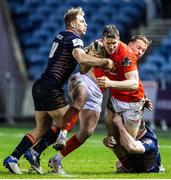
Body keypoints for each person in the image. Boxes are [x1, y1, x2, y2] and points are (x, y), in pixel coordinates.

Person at [24, 25, 151, 174]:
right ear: (104, 41)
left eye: (143, 50)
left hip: (101, 93)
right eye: (138, 48)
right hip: (85, 81)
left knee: (88, 131)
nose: (140, 52)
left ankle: (55, 160)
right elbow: (82, 69)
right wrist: (99, 60)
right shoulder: (98, 45)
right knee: (81, 96)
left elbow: (133, 82)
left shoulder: (126, 57)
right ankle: (62, 136)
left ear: (118, 41)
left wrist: (143, 97)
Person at [3, 7, 113, 175]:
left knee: (42, 129)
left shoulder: (62, 36)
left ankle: (14, 158)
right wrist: (104, 61)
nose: (86, 24)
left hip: (40, 85)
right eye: (82, 21)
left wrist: (90, 51)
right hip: (51, 88)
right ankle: (33, 153)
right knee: (65, 124)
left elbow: (82, 68)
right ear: (73, 23)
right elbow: (80, 58)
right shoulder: (74, 39)